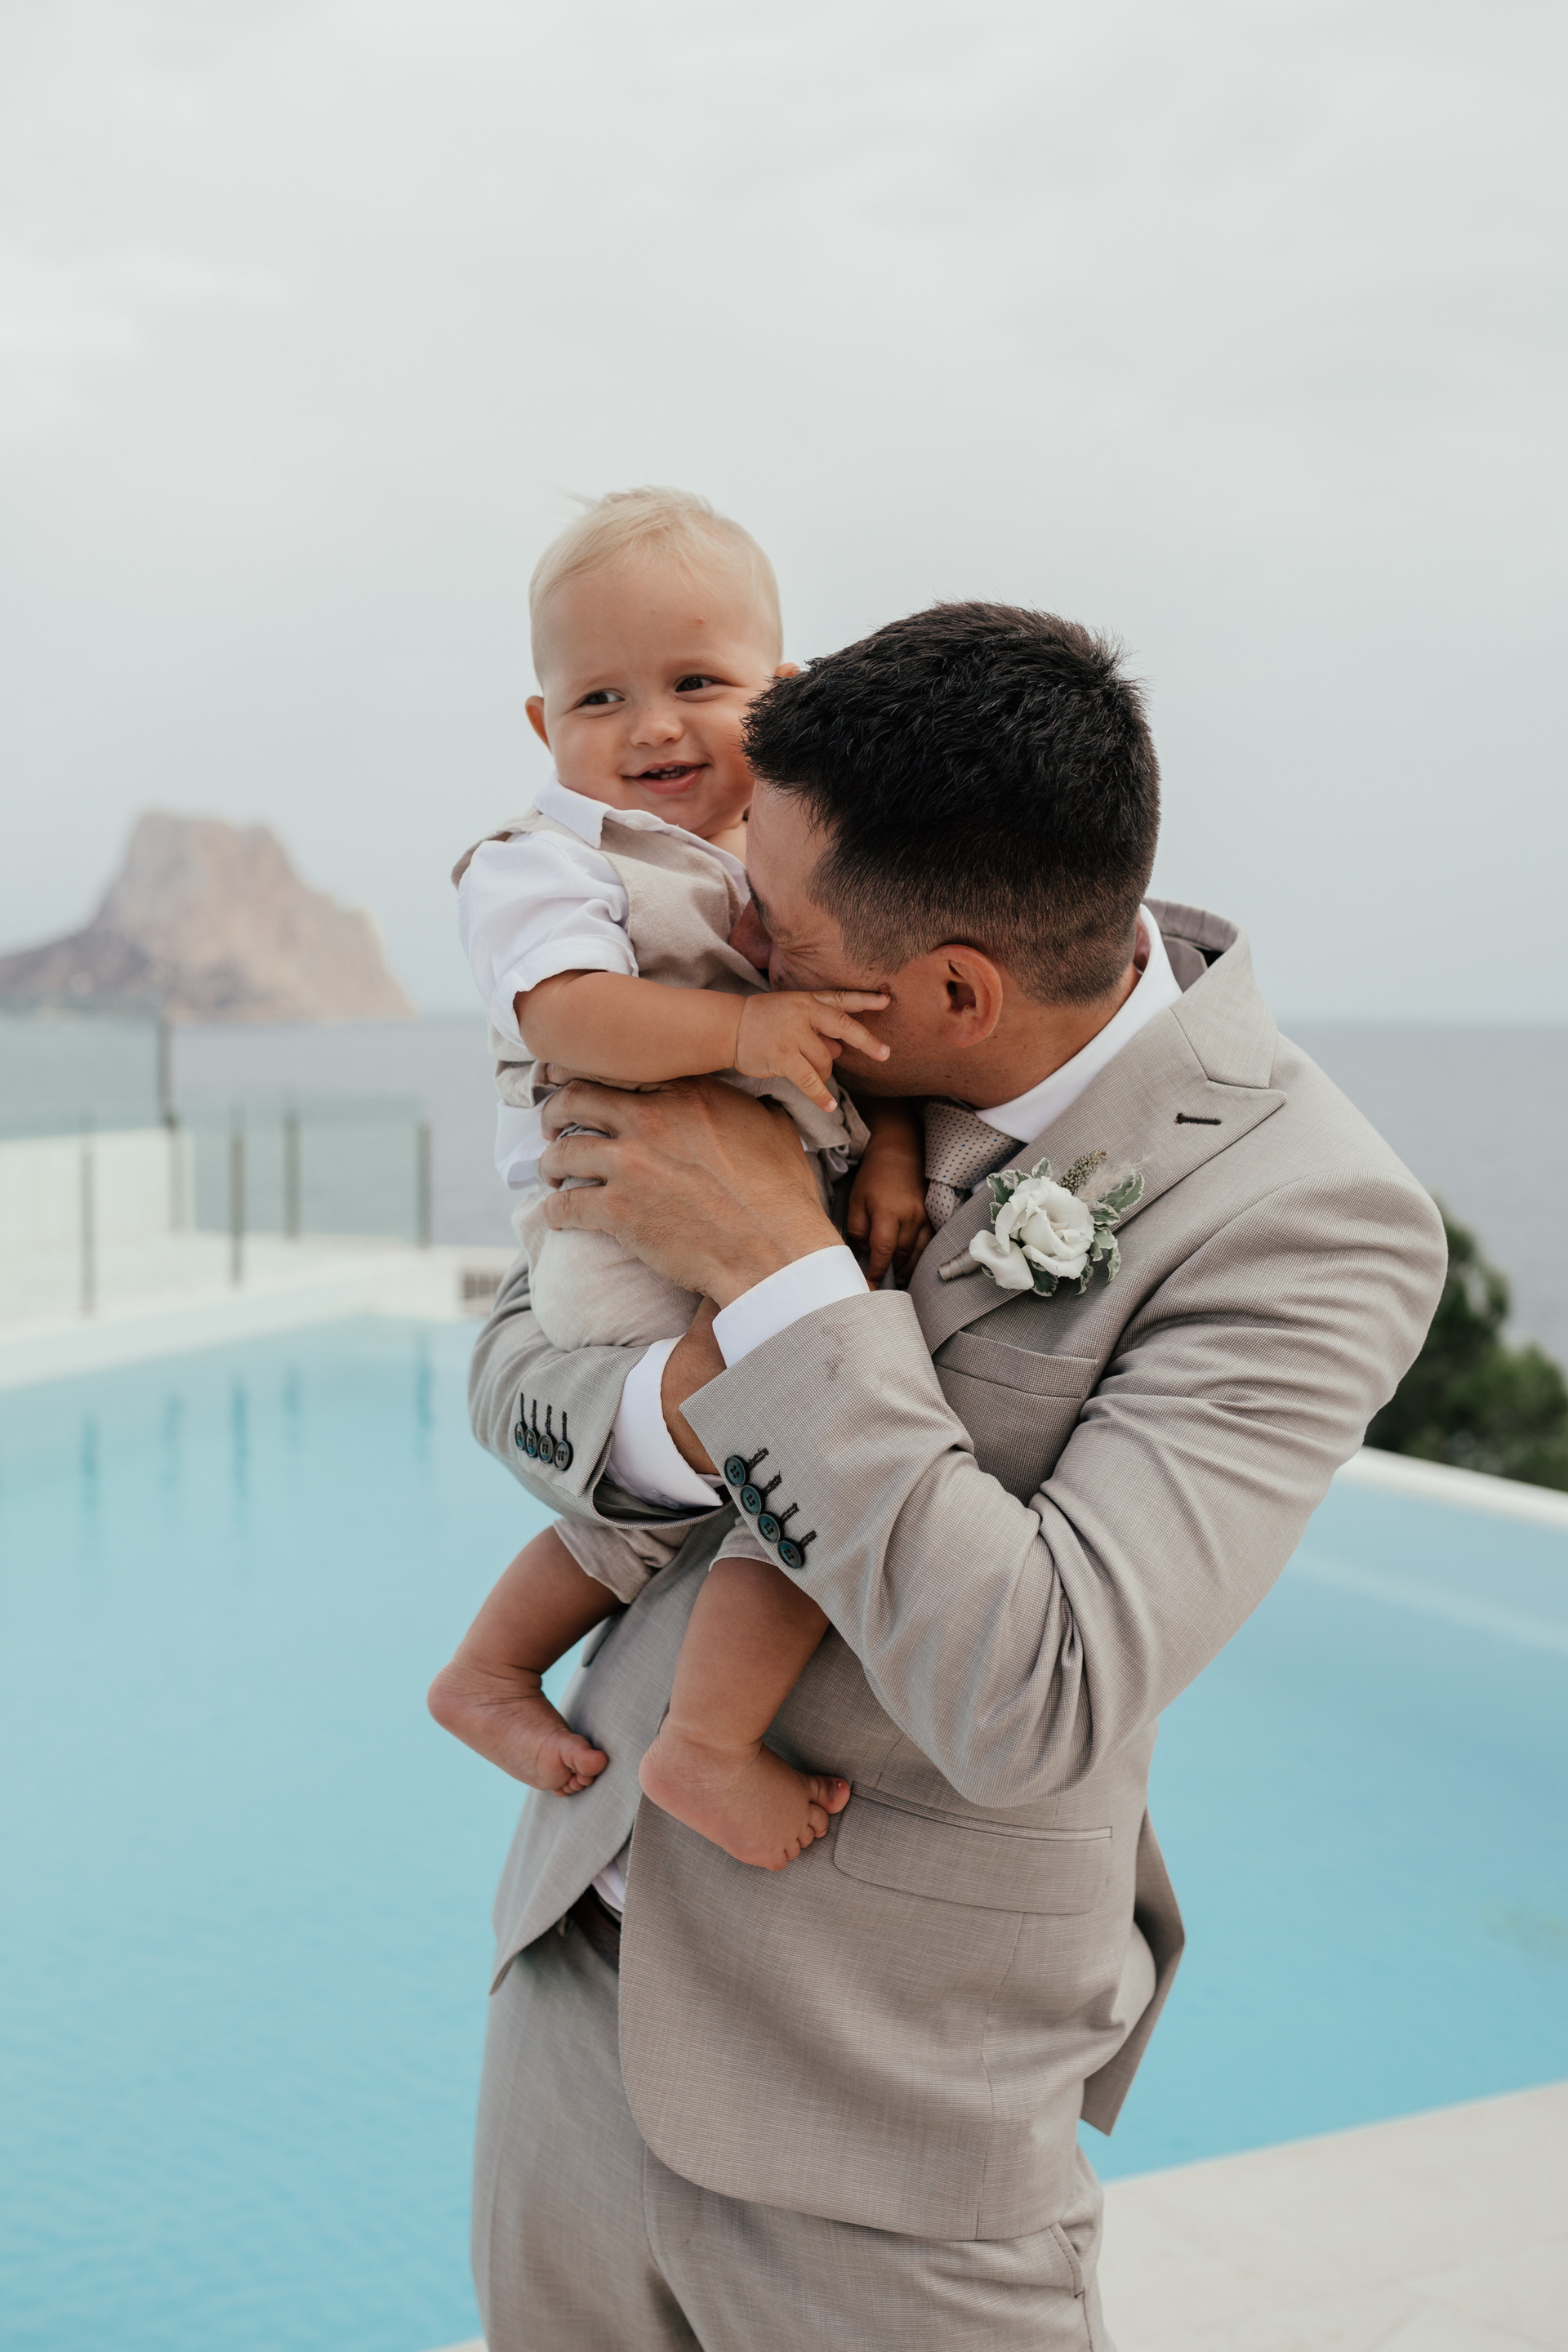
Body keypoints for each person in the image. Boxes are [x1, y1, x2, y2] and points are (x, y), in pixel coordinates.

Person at [453, 601, 1447, 2350]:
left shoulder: (1308, 1219)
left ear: (954, 994)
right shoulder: (753, 1004)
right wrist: (668, 1412)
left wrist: (780, 1278)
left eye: (771, 917)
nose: (730, 930)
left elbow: (1036, 1689)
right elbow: (513, 1370)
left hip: (887, 2124)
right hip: (572, 2001)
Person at [433, 488, 931, 1873]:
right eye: (601, 697)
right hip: (618, 1226)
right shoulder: (545, 863)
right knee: (811, 1457)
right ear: (543, 725)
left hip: (750, 1207)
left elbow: (866, 1034)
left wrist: (892, 1148)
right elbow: (569, 1012)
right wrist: (741, 1033)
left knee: (680, 1509)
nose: (652, 727)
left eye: (697, 684)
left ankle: (487, 1671)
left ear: (782, 695)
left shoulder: (796, 856)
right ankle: (707, 1743)